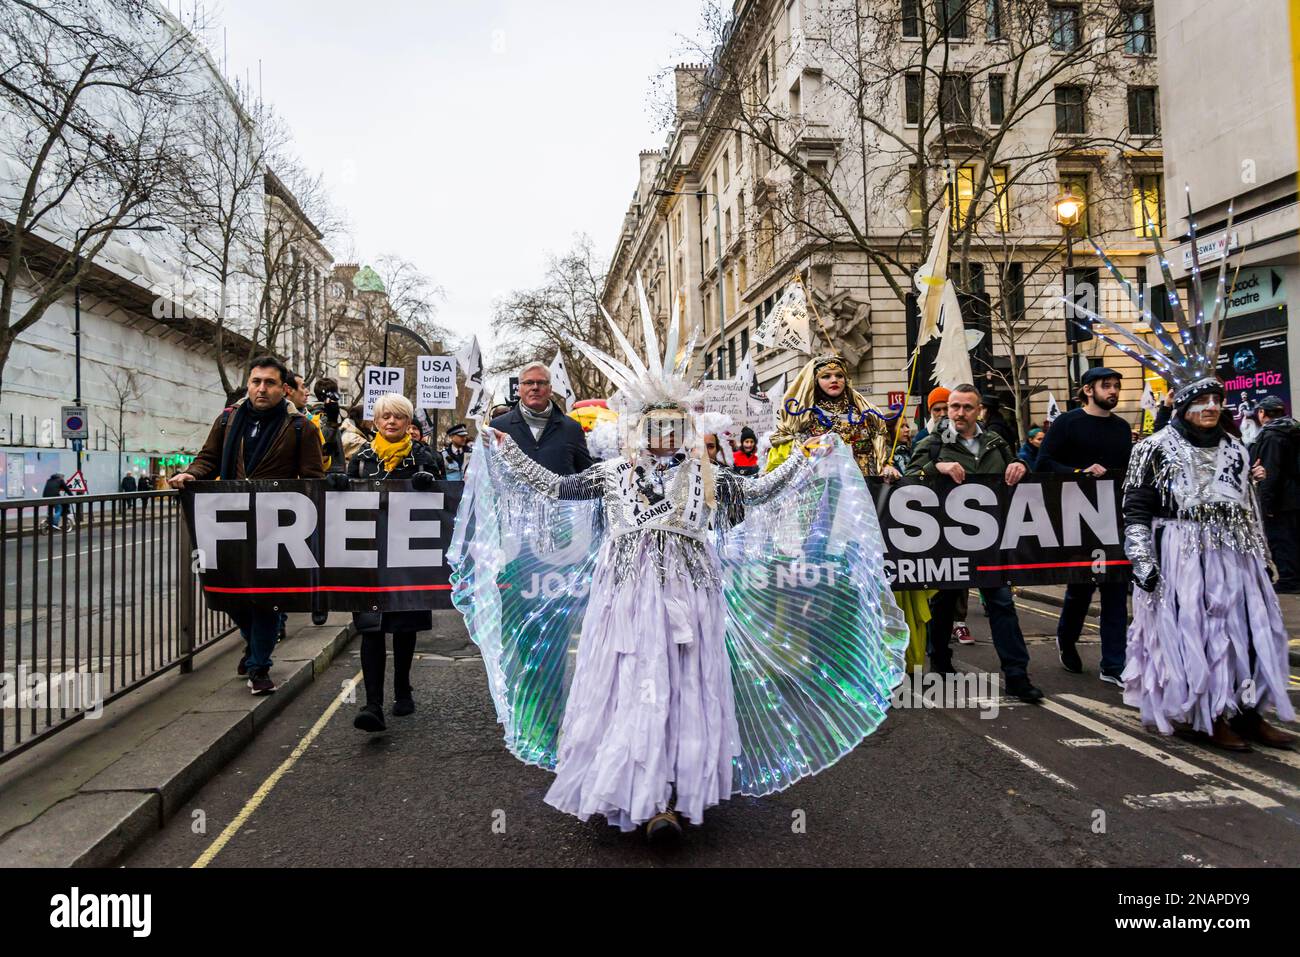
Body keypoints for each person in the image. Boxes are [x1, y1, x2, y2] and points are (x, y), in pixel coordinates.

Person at [453, 290, 907, 840]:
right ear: (637, 428)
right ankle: (631, 789)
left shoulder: (707, 477)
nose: (663, 436)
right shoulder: (613, 475)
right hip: (625, 597)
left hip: (692, 597)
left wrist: (809, 459)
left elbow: (760, 493)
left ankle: (670, 793)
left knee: (684, 686)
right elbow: (555, 486)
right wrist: (504, 449)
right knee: (632, 682)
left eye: (674, 426)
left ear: (685, 429)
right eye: (654, 425)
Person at [1082, 214, 1296, 751]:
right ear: (1180, 404)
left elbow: (1246, 503)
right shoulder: (1153, 448)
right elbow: (1133, 509)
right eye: (1199, 400)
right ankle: (1209, 714)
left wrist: (1265, 558)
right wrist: (1145, 564)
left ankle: (1249, 712)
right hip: (1179, 552)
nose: (1210, 407)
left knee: (1247, 631)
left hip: (1235, 553)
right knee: (1198, 637)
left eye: (1217, 399)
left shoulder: (1232, 446)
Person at [169, 356, 325, 695]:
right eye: (256, 381)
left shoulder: (301, 427)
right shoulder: (227, 420)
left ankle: (259, 667)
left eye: (269, 382)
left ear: (283, 389)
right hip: (232, 521)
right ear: (249, 384)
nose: (261, 388)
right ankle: (254, 645)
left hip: (278, 526)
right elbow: (208, 459)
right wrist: (190, 474)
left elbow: (313, 479)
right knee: (233, 597)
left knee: (266, 600)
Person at [907, 384, 1044, 703]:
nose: (958, 413)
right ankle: (940, 664)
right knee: (942, 606)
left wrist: (1022, 467)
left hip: (990, 543)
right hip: (945, 542)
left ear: (979, 410)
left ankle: (1017, 675)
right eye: (954, 406)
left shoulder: (997, 444)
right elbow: (909, 481)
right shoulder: (932, 444)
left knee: (1002, 605)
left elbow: (1021, 478)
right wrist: (934, 468)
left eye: (967, 407)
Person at [344, 393, 444, 731]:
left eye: (398, 417)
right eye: (385, 416)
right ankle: (372, 704)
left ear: (408, 423)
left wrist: (429, 484)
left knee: (403, 627)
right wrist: (338, 485)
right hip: (370, 555)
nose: (391, 422)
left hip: (410, 556)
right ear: (376, 420)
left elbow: (444, 495)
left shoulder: (423, 456)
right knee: (370, 628)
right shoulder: (362, 458)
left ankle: (402, 687)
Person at [1034, 368, 1132, 685]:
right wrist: (1079, 471)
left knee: (1115, 592)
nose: (1114, 391)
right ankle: (1066, 638)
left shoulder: (1121, 428)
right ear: (1089, 390)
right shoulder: (1067, 423)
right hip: (1078, 519)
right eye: (1107, 386)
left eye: (1117, 386)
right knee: (1081, 590)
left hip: (1114, 520)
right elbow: (1043, 464)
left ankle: (1114, 665)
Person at [490, 362, 592, 475]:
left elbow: (587, 476)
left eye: (541, 382)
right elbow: (489, 475)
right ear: (519, 389)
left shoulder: (572, 428)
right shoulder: (498, 427)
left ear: (550, 389)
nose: (535, 387)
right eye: (528, 383)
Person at [1250, 395, 1300, 593]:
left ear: (1262, 413)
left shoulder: (1272, 435)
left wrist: (1267, 503)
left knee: (1281, 540)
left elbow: (1271, 472)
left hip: (1282, 500)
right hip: (1294, 496)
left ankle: (1289, 579)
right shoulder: (1293, 429)